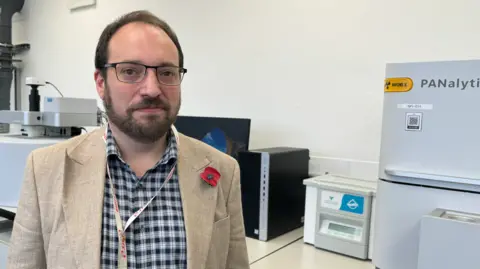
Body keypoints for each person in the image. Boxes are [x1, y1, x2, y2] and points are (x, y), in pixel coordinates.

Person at [7, 10, 250, 269]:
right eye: (131, 71)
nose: (152, 89)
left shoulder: (223, 170)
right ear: (101, 82)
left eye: (166, 72)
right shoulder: (45, 169)